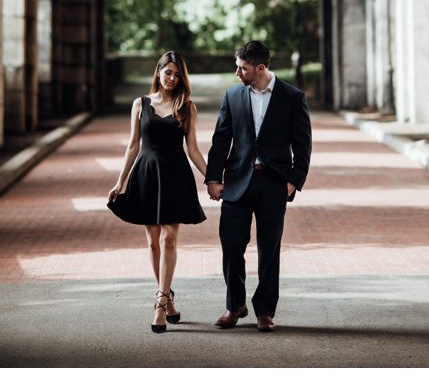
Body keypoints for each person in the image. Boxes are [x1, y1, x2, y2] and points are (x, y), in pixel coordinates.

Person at [205, 40, 312, 332]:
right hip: (237, 182)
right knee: (231, 245)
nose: (237, 73)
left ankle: (265, 311)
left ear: (261, 68)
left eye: (243, 68)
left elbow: (303, 145)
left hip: (273, 183)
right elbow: (220, 140)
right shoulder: (233, 96)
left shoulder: (292, 97)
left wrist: (294, 180)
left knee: (269, 249)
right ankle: (235, 305)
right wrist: (214, 178)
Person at [107, 51, 208, 333]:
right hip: (147, 175)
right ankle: (169, 298)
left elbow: (194, 149)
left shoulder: (187, 107)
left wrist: (213, 178)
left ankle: (160, 305)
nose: (172, 79)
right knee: (153, 242)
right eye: (168, 73)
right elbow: (133, 145)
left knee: (170, 239)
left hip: (175, 175)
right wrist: (120, 181)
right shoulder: (140, 104)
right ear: (158, 72)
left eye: (177, 75)